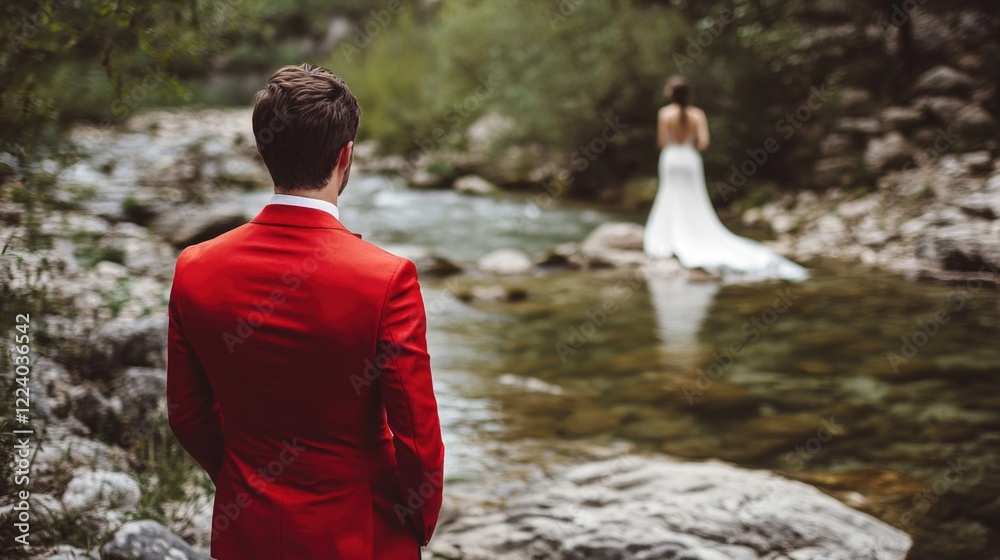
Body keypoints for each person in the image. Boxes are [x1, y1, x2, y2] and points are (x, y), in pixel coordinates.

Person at [166, 63, 445, 559]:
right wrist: (417, 525)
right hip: (361, 534)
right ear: (346, 156)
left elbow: (188, 414)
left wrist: (240, 480)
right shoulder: (387, 279)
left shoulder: (195, 267)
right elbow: (417, 438)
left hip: (245, 531)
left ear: (262, 151)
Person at [643, 76, 808, 281]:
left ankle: (668, 237)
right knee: (694, 197)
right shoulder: (697, 114)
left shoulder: (665, 113)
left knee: (669, 194)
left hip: (671, 158)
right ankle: (695, 234)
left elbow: (661, 142)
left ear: (670, 93)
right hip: (689, 159)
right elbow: (703, 143)